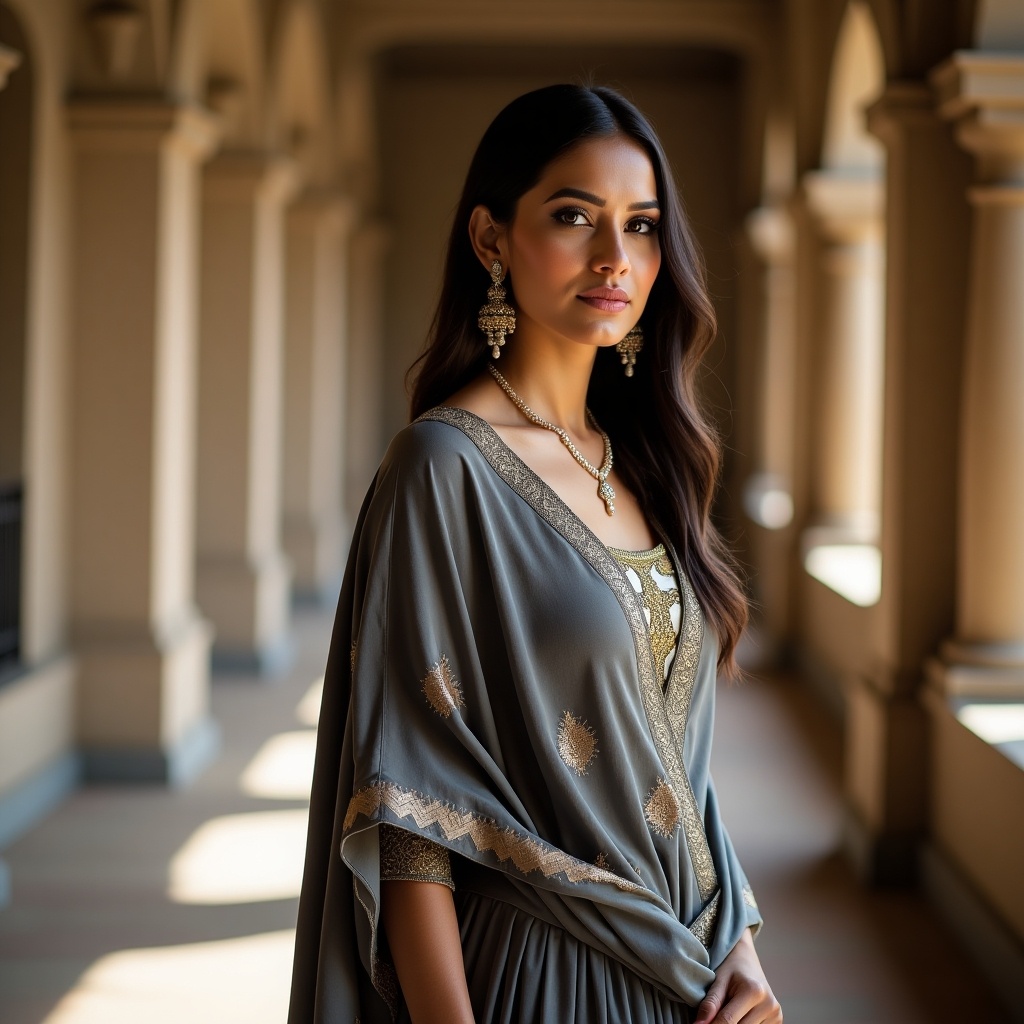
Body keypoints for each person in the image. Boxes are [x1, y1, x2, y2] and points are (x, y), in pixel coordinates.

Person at [288, 84, 782, 1024]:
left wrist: (743, 948)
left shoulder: (638, 459)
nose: (616, 258)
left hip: (690, 973)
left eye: (641, 227)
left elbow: (671, 764)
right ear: (490, 240)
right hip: (544, 979)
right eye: (573, 217)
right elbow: (408, 819)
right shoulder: (441, 467)